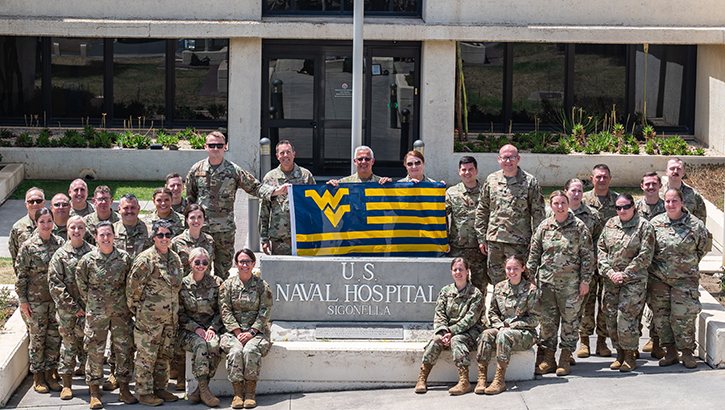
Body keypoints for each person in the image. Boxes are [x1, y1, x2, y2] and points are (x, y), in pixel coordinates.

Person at [186, 131, 282, 278]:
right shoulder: (196, 171)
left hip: (225, 232)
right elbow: (190, 201)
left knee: (223, 272)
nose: (215, 148)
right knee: (200, 270)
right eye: (212, 145)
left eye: (219, 145)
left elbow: (254, 187)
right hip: (202, 232)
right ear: (206, 147)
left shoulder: (233, 171)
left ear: (225, 147)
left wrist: (276, 191)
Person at [528, 191, 593, 377]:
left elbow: (587, 256)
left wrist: (585, 281)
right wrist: (531, 278)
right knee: (547, 322)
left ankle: (565, 356)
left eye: (563, 202)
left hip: (571, 285)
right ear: (551, 205)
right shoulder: (544, 226)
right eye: (556, 203)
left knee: (570, 321)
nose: (560, 206)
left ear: (568, 203)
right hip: (546, 284)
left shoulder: (579, 227)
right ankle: (549, 359)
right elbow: (534, 253)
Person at [76, 221, 136, 408]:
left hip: (121, 314)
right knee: (94, 351)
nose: (105, 238)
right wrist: (93, 302)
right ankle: (95, 391)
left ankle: (124, 390)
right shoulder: (87, 260)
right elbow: (81, 283)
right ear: (95, 238)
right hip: (96, 314)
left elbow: (131, 283)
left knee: (123, 350)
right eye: (101, 235)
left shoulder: (125, 258)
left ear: (114, 236)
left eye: (108, 234)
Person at [649, 188, 708, 369]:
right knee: (662, 316)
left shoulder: (695, 225)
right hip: (659, 279)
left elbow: (702, 248)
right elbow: (649, 248)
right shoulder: (655, 223)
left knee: (684, 316)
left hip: (685, 280)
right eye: (667, 201)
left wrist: (685, 265)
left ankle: (687, 352)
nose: (671, 205)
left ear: (682, 202)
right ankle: (671, 351)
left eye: (675, 201)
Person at [127, 220, 183, 406]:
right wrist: (139, 311)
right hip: (149, 319)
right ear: (153, 237)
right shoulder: (145, 260)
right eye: (160, 235)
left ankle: (160, 388)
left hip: (169, 319)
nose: (164, 238)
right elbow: (132, 290)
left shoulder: (174, 258)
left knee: (164, 355)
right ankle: (144, 393)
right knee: (146, 356)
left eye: (168, 235)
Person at [597, 193, 655, 372]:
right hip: (612, 279)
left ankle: (630, 354)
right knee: (611, 317)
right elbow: (601, 249)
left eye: (626, 206)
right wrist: (610, 272)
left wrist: (625, 274)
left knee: (626, 317)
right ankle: (619, 353)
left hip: (633, 281)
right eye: (618, 207)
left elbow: (645, 255)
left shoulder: (644, 226)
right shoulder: (610, 224)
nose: (622, 210)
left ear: (633, 207)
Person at [475, 144, 545, 285]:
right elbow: (483, 209)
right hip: (495, 242)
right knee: (496, 281)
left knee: (520, 281)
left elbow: (538, 215)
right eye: (505, 158)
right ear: (499, 159)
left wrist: (535, 241)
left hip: (519, 242)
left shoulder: (530, 182)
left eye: (512, 157)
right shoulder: (491, 180)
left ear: (518, 159)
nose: (508, 161)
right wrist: (481, 237)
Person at [414, 257, 484, 396]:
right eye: (455, 270)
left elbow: (471, 319)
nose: (458, 272)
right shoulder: (445, 291)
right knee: (435, 341)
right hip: (448, 331)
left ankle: (464, 382)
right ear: (451, 272)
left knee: (456, 340)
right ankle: (422, 378)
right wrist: (444, 331)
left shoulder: (475, 294)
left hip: (470, 331)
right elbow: (439, 314)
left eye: (461, 269)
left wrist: (452, 332)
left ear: (467, 271)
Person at [15, 208, 64, 394]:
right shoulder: (28, 246)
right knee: (37, 339)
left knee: (53, 338)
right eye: (42, 221)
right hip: (35, 303)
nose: (46, 225)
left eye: (49, 221)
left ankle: (51, 374)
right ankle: (38, 376)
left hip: (55, 301)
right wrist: (23, 301)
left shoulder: (59, 243)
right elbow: (21, 276)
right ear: (36, 223)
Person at [476, 255, 538, 395]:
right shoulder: (499, 287)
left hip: (524, 334)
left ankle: (499, 379)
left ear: (523, 269)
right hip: (502, 329)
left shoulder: (531, 290)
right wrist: (499, 326)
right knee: (485, 334)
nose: (512, 272)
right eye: (509, 268)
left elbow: (535, 319)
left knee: (504, 335)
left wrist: (511, 326)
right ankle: (482, 377)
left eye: (515, 268)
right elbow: (492, 313)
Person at [169, 204, 215, 390]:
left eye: (199, 217)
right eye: (192, 217)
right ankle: (180, 374)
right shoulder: (177, 242)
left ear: (204, 219)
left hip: (204, 290)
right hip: (183, 290)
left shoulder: (210, 241)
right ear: (186, 219)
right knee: (180, 327)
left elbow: (213, 265)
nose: (196, 221)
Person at [219, 249, 273, 409]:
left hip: (257, 333)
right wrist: (238, 333)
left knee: (250, 351)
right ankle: (237, 394)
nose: (245, 265)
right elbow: (225, 310)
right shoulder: (227, 286)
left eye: (248, 261)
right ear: (236, 264)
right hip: (233, 333)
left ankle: (250, 393)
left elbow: (265, 310)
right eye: (241, 262)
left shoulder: (261, 286)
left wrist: (251, 332)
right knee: (235, 352)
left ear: (253, 264)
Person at [48, 216, 94, 400]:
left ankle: (91, 383)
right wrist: (73, 307)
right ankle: (67, 385)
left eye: (80, 227)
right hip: (68, 311)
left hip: (89, 309)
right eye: (73, 227)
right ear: (67, 230)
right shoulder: (60, 255)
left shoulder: (92, 252)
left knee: (89, 347)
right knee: (68, 347)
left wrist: (90, 305)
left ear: (85, 230)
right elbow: (54, 284)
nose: (76, 231)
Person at [562, 178, 603, 359]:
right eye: (573, 190)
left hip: (586, 269)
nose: (576, 194)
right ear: (566, 192)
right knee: (567, 311)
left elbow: (599, 240)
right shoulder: (558, 212)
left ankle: (585, 341)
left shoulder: (592, 215)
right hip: (563, 271)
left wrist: (593, 259)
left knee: (588, 304)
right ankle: (567, 350)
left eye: (579, 190)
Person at [178, 248, 223, 407]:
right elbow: (179, 313)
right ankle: (205, 391)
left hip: (210, 329)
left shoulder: (216, 283)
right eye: (197, 262)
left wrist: (212, 328)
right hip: (188, 331)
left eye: (204, 262)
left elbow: (222, 310)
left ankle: (200, 390)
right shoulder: (182, 284)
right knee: (200, 345)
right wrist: (195, 328)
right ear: (190, 262)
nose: (201, 265)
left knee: (214, 345)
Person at [581, 163, 618, 358]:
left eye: (605, 176)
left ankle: (602, 341)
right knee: (586, 299)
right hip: (587, 260)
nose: (602, 180)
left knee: (605, 302)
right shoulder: (584, 200)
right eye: (598, 177)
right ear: (592, 178)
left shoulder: (618, 201)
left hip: (610, 261)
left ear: (610, 179)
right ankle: (584, 340)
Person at [259, 140, 316, 255]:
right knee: (281, 271)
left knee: (303, 270)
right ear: (277, 156)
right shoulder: (270, 178)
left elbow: (314, 207)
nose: (285, 156)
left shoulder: (305, 176)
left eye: (288, 152)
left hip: (302, 236)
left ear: (294, 154)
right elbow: (264, 210)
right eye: (282, 153)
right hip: (279, 238)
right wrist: (264, 239)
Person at [446, 156, 489, 297]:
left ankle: (480, 318)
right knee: (457, 288)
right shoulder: (452, 193)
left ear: (476, 171)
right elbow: (441, 218)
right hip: (458, 249)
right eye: (464, 170)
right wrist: (444, 240)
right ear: (459, 171)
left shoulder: (486, 193)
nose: (467, 172)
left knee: (480, 289)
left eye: (471, 169)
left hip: (480, 250)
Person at [635, 172, 666, 359]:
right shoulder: (635, 208)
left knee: (657, 306)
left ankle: (655, 341)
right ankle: (632, 346)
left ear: (660, 186)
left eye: (654, 183)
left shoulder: (667, 207)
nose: (651, 187)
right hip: (638, 265)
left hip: (659, 266)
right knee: (635, 305)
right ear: (641, 186)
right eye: (647, 184)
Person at [9, 187, 46, 271]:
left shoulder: (52, 226)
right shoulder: (18, 227)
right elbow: (15, 255)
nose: (35, 204)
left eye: (38, 201)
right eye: (31, 201)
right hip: (28, 280)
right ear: (26, 204)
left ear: (44, 203)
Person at [326, 145, 392, 186]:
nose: (363, 162)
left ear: (373, 161)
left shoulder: (382, 183)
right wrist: (332, 187)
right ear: (355, 161)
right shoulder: (343, 183)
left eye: (367, 159)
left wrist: (390, 186)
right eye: (360, 159)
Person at [113, 193, 151, 259]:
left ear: (138, 208)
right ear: (119, 209)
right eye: (126, 208)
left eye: (133, 208)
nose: (129, 211)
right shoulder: (111, 231)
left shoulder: (150, 231)